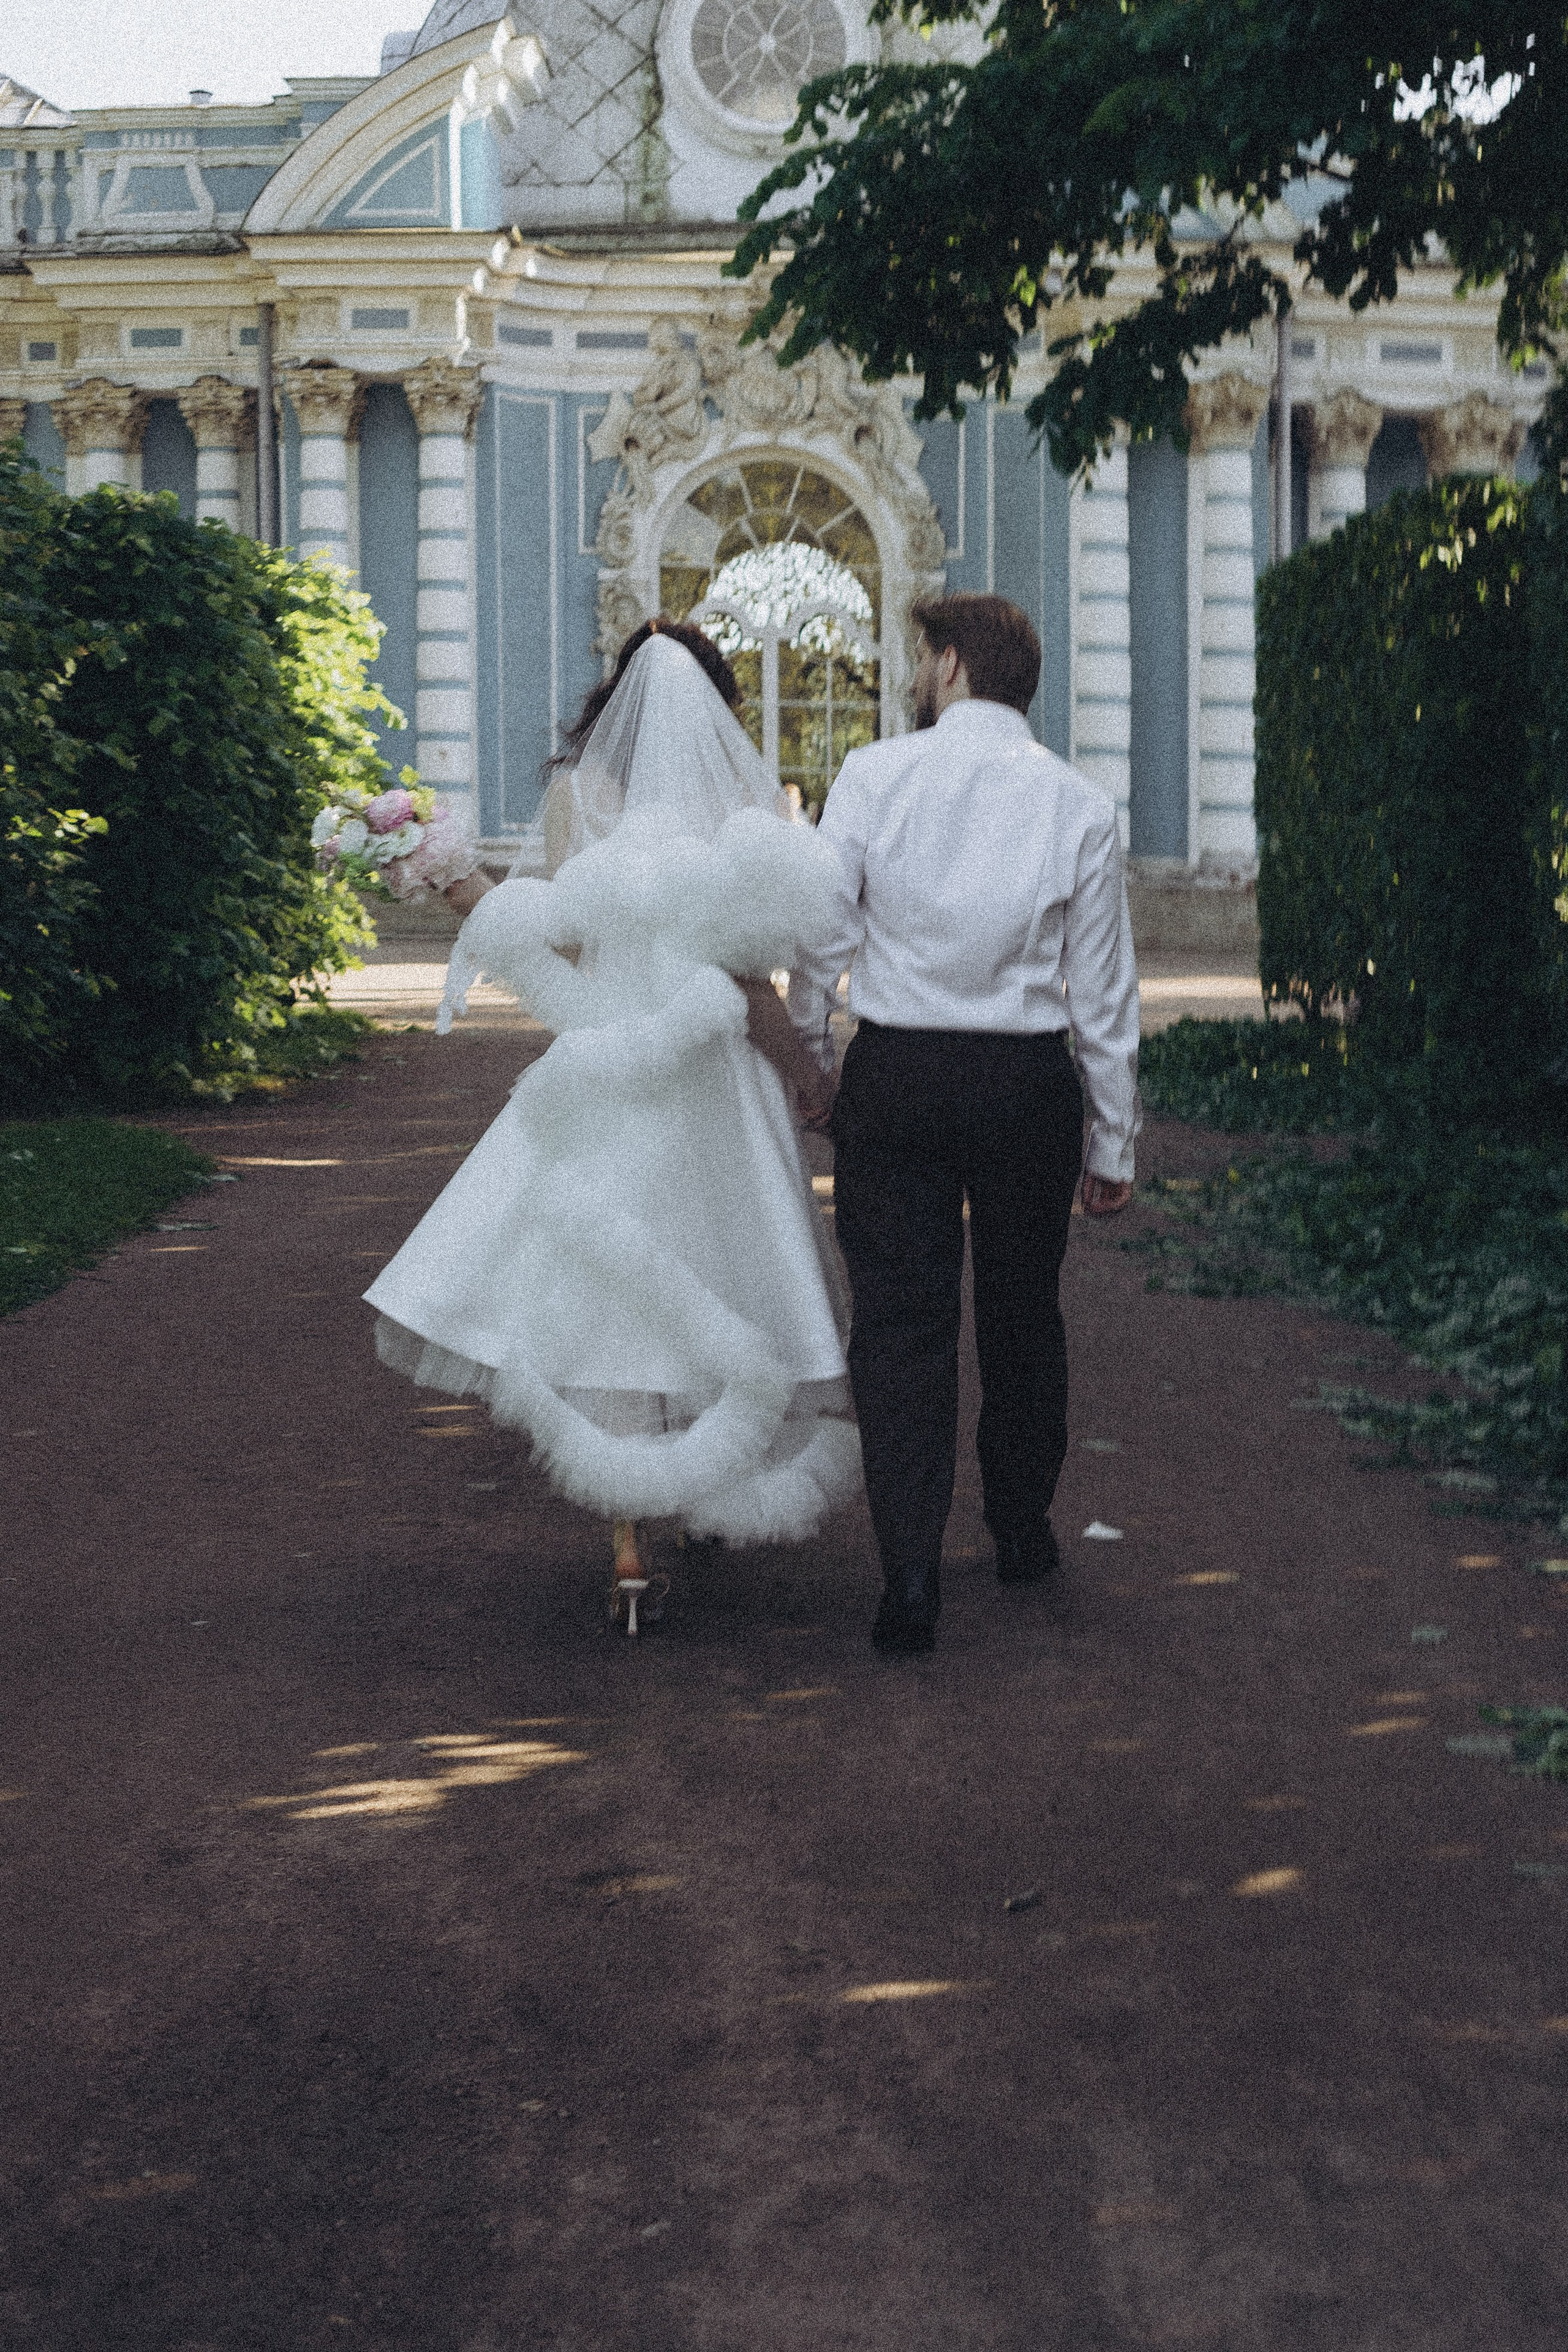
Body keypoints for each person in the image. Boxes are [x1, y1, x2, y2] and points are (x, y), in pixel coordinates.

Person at [365, 621, 859, 1632]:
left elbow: (565, 943)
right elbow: (748, 981)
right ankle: (712, 1492)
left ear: (615, 700)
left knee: (619, 1289)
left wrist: (456, 879)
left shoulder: (579, 798)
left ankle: (629, 1545)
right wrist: (809, 1077)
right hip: (713, 1072)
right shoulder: (746, 807)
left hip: (611, 1063)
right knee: (726, 1264)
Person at [789, 592, 1140, 1657]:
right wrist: (1112, 1139)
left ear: (949, 667)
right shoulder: (1080, 805)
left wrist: (814, 1059)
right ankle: (1024, 1528)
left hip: (896, 1072)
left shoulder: (872, 777)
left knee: (899, 1323)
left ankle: (908, 1574)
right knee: (1024, 1310)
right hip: (1026, 1085)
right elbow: (1104, 995)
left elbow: (819, 938)